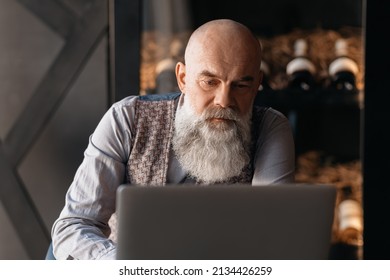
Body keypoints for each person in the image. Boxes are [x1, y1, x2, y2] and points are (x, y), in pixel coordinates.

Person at [51, 19, 295, 260]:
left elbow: (273, 234)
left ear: (257, 85)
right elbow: (73, 226)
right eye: (210, 82)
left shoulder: (270, 129)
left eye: (241, 85)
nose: (224, 100)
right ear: (183, 78)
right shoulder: (126, 119)